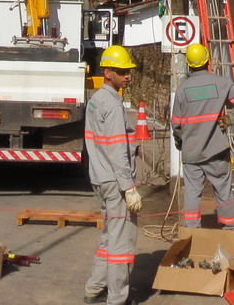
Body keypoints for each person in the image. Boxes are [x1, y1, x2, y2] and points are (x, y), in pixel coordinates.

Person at [83, 45, 142, 305]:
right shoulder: (113, 105)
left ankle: (94, 288)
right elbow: (118, 151)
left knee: (108, 236)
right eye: (121, 71)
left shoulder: (96, 101)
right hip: (115, 182)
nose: (127, 75)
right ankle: (117, 298)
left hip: (99, 178)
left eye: (128, 70)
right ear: (108, 73)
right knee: (121, 241)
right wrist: (129, 187)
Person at [171, 42, 234, 229]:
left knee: (192, 193)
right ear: (208, 61)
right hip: (217, 151)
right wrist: (232, 118)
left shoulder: (183, 89)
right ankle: (230, 228)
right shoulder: (221, 83)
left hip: (192, 153)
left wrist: (181, 142)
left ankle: (191, 232)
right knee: (223, 189)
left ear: (189, 65)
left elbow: (176, 124)